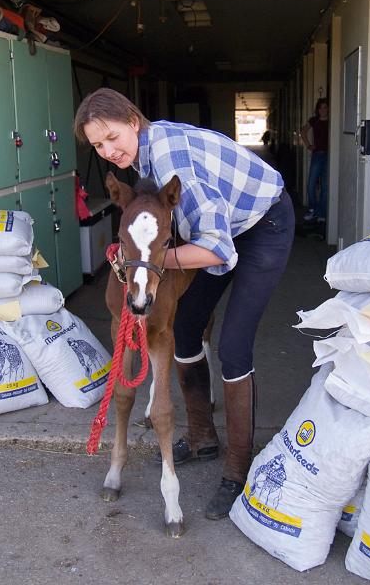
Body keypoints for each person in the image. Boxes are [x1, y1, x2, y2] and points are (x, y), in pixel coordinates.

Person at [74, 88, 295, 520]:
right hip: (222, 227)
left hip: (263, 225)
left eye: (112, 136)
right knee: (188, 327)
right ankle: (200, 436)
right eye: (98, 145)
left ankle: (237, 470)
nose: (108, 150)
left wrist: (151, 257)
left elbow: (216, 250)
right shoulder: (140, 160)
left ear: (133, 121)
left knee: (232, 345)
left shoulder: (172, 161)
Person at [300, 98, 329, 222]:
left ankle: (321, 213)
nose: (323, 110)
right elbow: (303, 132)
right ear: (318, 109)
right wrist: (308, 145)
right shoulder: (314, 120)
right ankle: (312, 209)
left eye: (325, 107)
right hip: (317, 155)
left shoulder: (332, 121)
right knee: (311, 183)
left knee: (325, 186)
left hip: (329, 155)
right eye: (321, 107)